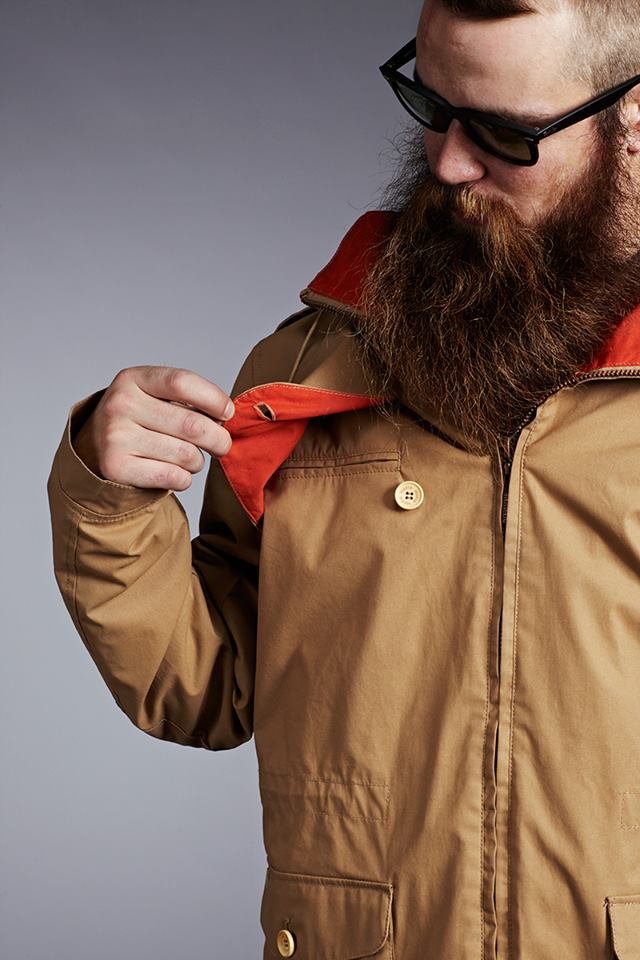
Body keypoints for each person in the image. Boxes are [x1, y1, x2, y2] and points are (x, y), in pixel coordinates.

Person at [47, 0, 640, 956]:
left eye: (503, 132)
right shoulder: (305, 370)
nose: (449, 163)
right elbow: (207, 684)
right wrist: (110, 499)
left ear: (632, 122)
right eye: (431, 105)